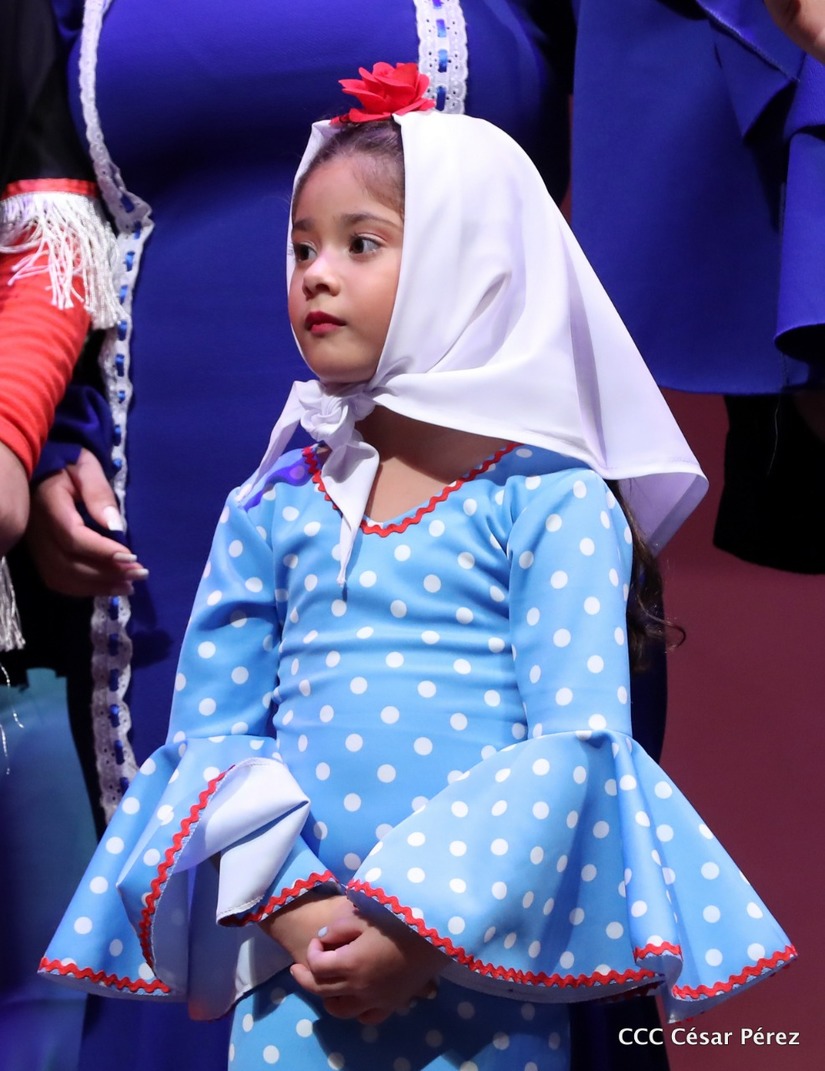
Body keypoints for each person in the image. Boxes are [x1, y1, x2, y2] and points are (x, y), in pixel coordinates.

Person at [41, 64, 794, 1071]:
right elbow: (214, 735)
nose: (316, 274)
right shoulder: (269, 505)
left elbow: (570, 744)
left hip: (479, 969)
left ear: (470, 266)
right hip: (299, 977)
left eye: (362, 243)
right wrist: (298, 912)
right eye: (302, 246)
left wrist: (415, 933)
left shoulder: (550, 500)